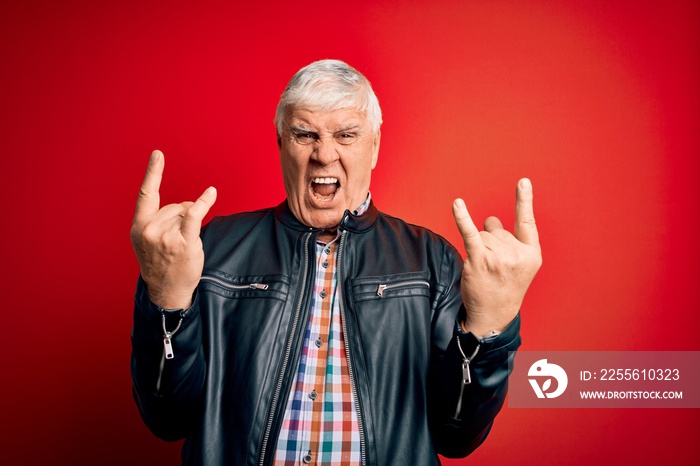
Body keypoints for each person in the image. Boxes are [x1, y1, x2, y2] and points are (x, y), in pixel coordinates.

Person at [130, 59, 541, 466]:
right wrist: (166, 296)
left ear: (375, 146)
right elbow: (168, 419)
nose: (324, 154)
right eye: (304, 134)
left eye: (346, 135)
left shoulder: (433, 262)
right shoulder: (208, 249)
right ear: (280, 144)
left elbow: (457, 435)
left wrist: (492, 322)